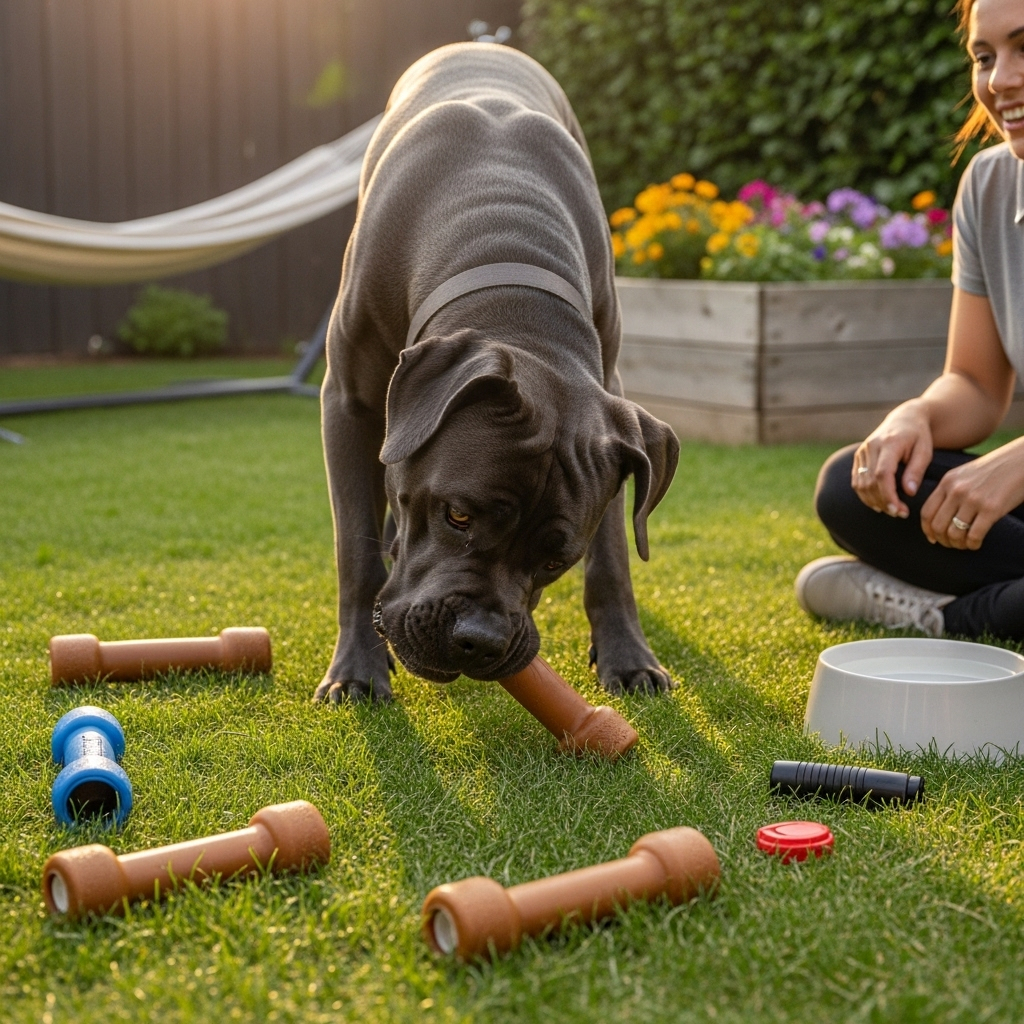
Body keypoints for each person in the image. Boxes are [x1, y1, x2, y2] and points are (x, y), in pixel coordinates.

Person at [797, 0, 1024, 640]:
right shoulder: (989, 185)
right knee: (853, 487)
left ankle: (949, 618)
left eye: (1023, 48)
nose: (999, 81)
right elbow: (977, 385)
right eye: (984, 57)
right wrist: (915, 417)